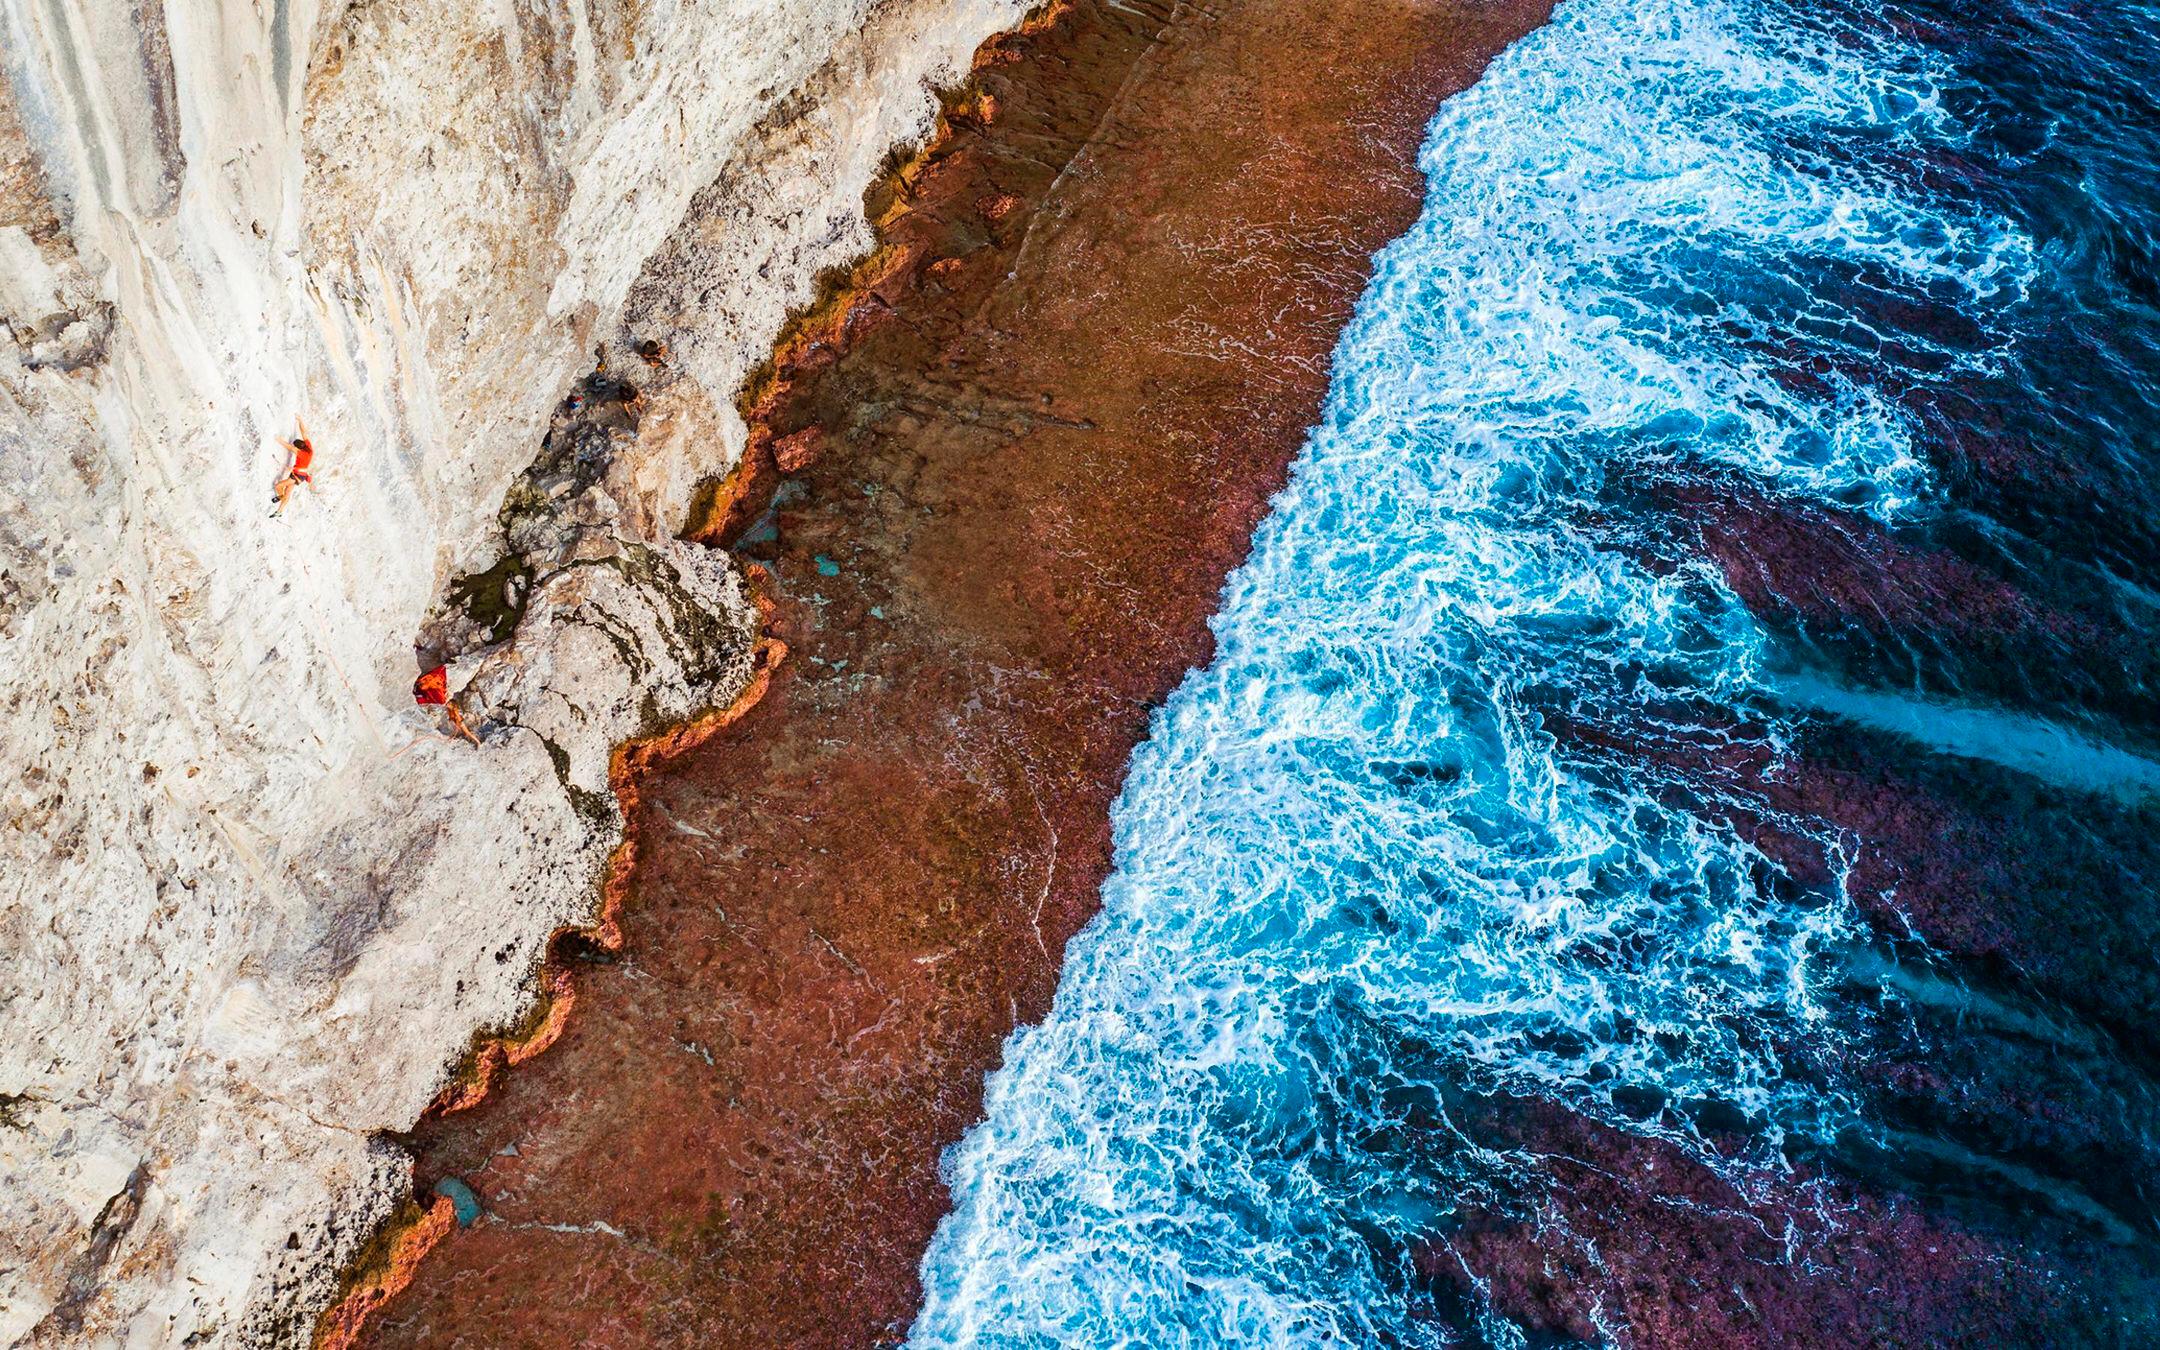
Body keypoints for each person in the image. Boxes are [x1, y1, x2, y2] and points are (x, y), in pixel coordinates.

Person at [414, 664, 480, 746]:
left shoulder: (448, 705)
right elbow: (461, 723)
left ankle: (473, 739)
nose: (447, 706)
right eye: (449, 705)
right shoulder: (446, 702)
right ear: (452, 705)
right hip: (429, 687)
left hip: (431, 689)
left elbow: (461, 724)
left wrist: (475, 740)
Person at [270, 419, 316, 515]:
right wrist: (299, 420)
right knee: (288, 492)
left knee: (278, 486)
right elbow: (304, 432)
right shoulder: (309, 449)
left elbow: (290, 447)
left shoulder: (301, 453)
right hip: (299, 475)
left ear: (298, 448)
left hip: (297, 476)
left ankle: (281, 497)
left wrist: (279, 440)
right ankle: (279, 512)